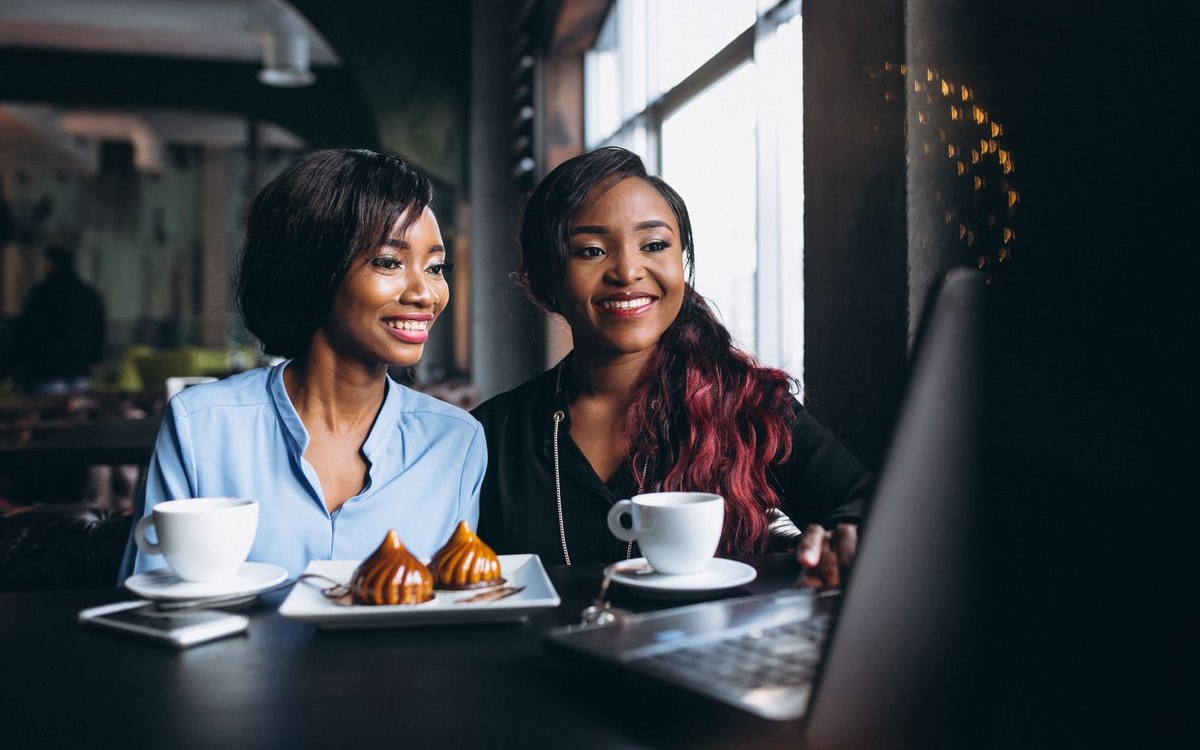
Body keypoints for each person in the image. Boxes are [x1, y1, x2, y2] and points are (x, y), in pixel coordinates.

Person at [472, 147, 870, 583]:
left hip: (711, 652)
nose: (627, 271)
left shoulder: (749, 406)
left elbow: (866, 506)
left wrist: (841, 538)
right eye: (590, 251)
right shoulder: (489, 435)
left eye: (655, 245)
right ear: (547, 279)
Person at [120, 149, 485, 581]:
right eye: (389, 261)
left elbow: (456, 607)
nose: (425, 293)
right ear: (314, 269)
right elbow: (156, 598)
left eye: (436, 267)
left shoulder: (455, 442)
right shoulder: (202, 425)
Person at [7, 246, 105, 396]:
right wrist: (92, 361)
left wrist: (17, 367)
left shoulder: (43, 293)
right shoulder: (88, 294)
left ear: (51, 264)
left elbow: (27, 333)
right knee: (76, 414)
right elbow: (99, 332)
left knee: (46, 414)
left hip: (48, 373)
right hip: (79, 372)